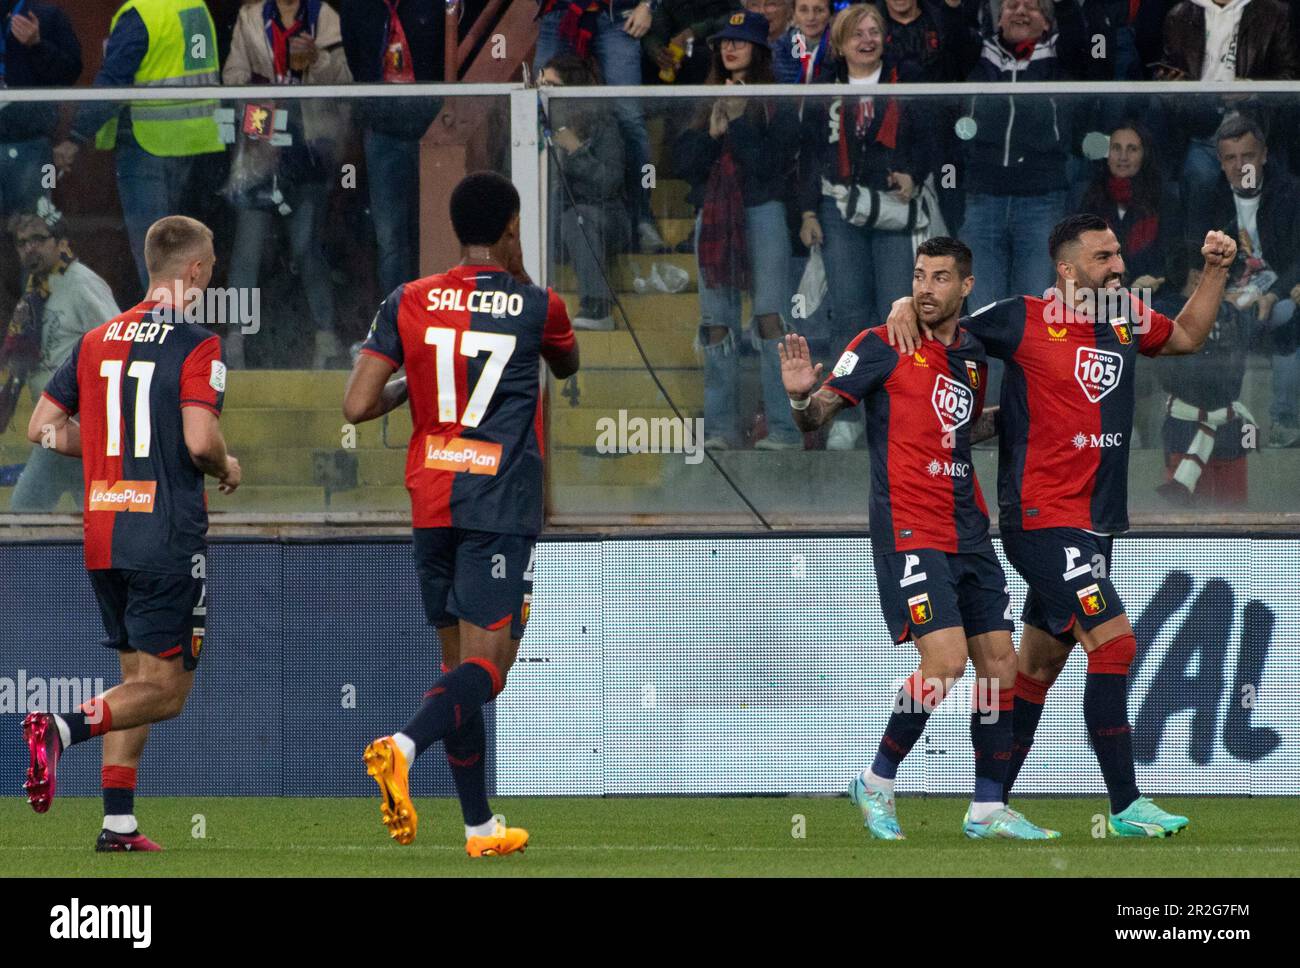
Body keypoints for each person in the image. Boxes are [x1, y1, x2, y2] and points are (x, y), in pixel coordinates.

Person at [886, 213, 1238, 837]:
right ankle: (1127, 805)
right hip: (1042, 519)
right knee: (1117, 642)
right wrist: (904, 303)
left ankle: (987, 805)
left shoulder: (1126, 314)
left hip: (1096, 524)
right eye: (1103, 258)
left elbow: (1184, 335)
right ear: (1067, 270)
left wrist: (1214, 270)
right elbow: (944, 324)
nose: (1119, 265)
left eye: (1117, 253)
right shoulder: (1022, 317)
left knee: (1036, 670)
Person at [780, 236, 1059, 840]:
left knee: (999, 666)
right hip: (910, 528)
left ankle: (986, 806)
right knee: (946, 661)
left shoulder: (977, 354)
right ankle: (877, 781)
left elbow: (959, 428)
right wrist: (803, 392)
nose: (925, 289)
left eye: (939, 278)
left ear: (966, 287)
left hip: (969, 527)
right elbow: (816, 416)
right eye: (918, 276)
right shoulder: (881, 344)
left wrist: (1019, 421)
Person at [345, 171, 579, 857]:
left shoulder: (407, 299)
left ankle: (479, 829)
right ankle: (403, 745)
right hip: (497, 503)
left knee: (456, 670)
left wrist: (412, 382)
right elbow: (564, 365)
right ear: (511, 230)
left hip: (431, 498)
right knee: (489, 669)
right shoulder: (540, 305)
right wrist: (519, 271)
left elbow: (356, 406)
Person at [20, 215, 241, 851]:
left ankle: (118, 821)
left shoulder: (97, 340)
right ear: (195, 271)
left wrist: (103, 450)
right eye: (210, 268)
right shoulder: (198, 345)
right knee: (166, 692)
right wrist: (226, 464)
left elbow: (41, 428)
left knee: (133, 679)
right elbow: (201, 442)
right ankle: (60, 729)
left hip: (104, 532)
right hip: (164, 534)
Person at [797, 3, 935, 451]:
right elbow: (810, 154)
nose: (867, 39)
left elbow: (933, 132)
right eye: (858, 33)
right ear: (840, 42)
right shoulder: (824, 87)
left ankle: (899, 416)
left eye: (875, 31)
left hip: (893, 210)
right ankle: (845, 414)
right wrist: (807, 212)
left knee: (896, 314)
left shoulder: (905, 78)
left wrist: (914, 171)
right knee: (850, 316)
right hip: (839, 210)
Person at [673, 10, 803, 450]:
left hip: (764, 211)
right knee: (716, 325)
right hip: (713, 217)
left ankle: (784, 430)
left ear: (759, 51)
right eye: (725, 42)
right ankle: (719, 430)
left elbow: (770, 164)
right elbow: (685, 168)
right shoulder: (704, 97)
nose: (729, 48)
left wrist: (741, 121)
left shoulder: (775, 101)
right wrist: (712, 134)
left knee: (770, 320)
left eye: (740, 42)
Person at [949, 0, 1090, 403]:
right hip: (983, 199)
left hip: (1041, 200)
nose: (1020, 11)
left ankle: (1033, 411)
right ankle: (988, 412)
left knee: (1036, 316)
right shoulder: (977, 54)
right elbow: (953, 30)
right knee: (984, 317)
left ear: (1049, 19)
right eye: (1011, 5)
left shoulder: (1063, 56)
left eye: (1032, 5)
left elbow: (1085, 33)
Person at [54, 0, 224, 293]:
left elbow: (113, 83)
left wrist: (76, 137)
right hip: (190, 142)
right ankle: (180, 328)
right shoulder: (196, 7)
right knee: (179, 251)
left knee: (156, 255)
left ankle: (165, 331)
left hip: (148, 144)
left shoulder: (142, 14)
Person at [223, 0, 353, 370]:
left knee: (306, 246)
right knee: (247, 249)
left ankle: (325, 340)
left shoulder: (325, 16)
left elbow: (346, 83)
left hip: (309, 149)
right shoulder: (250, 16)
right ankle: (235, 342)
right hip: (261, 150)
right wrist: (260, 102)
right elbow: (231, 79)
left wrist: (318, 60)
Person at [4, 206, 120, 512]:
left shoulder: (81, 283)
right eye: (21, 242)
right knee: (94, 514)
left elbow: (119, 342)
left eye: (38, 239)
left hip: (76, 418)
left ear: (60, 242)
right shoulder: (36, 288)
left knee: (24, 512)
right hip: (57, 421)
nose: (29, 248)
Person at [1199, 113, 1300, 447]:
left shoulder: (1290, 192)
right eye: (1231, 158)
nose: (1240, 165)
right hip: (1231, 295)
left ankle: (1281, 423)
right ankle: (1219, 425)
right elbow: (1195, 259)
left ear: (1265, 155)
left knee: (1286, 316)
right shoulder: (1210, 196)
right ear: (1220, 162)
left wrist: (1272, 294)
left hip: (1280, 291)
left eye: (1248, 156)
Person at [533, 1, 667, 254]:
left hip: (618, 17)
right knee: (535, 109)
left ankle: (642, 217)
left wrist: (648, 5)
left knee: (630, 117)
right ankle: (536, 218)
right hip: (559, 13)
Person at [339, 0, 444, 299]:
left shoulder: (432, 5)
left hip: (431, 129)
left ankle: (435, 313)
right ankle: (397, 320)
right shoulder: (357, 7)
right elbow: (357, 61)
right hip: (383, 131)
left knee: (433, 226)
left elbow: (445, 59)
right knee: (390, 236)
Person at [1154, 248, 1254, 507]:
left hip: (1230, 428)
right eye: (1222, 273)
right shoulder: (1164, 313)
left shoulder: (1232, 313)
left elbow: (1266, 342)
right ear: (1198, 276)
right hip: (1185, 426)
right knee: (1182, 518)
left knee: (1234, 514)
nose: (1227, 280)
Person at [539, 54, 630, 331]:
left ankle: (597, 305)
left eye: (551, 86)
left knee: (577, 218)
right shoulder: (528, 125)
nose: (543, 92)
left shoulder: (602, 124)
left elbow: (609, 183)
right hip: (548, 224)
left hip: (603, 220)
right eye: (539, 84)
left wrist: (576, 151)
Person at [1078, 121, 1182, 298]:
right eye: (1116, 148)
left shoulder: (1165, 198)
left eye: (1132, 149)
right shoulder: (1090, 198)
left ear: (1145, 155)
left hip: (1154, 295)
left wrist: (1143, 285)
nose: (1123, 157)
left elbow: (1171, 257)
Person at [0, 1, 81, 225]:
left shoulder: (47, 15)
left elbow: (70, 74)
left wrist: (37, 44)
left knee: (36, 224)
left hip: (34, 146)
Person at [646, 0, 744, 86]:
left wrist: (695, 31)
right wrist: (657, 52)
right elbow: (653, 32)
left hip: (718, 46)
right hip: (680, 55)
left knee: (700, 56)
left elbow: (739, 16)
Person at [772, 0, 833, 83]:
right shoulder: (777, 49)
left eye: (819, 10)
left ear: (830, 14)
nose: (811, 17)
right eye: (803, 10)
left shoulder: (840, 50)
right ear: (793, 14)